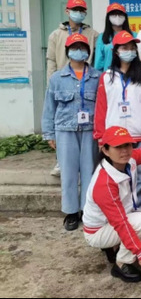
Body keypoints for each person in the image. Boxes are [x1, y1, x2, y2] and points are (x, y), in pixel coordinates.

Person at [83, 125, 141, 283]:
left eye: (127, 145)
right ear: (105, 150)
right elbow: (120, 222)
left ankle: (116, 246)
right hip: (98, 230)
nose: (124, 151)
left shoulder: (129, 160)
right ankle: (122, 262)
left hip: (123, 216)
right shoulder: (104, 183)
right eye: (118, 147)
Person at [42, 34, 101, 231]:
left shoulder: (97, 77)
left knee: (89, 172)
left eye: (82, 47)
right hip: (65, 130)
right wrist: (49, 133)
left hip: (90, 131)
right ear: (68, 52)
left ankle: (87, 209)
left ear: (88, 51)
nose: (79, 51)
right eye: (75, 48)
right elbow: (49, 107)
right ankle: (71, 212)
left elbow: (102, 106)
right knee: (68, 173)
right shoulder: (57, 78)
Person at [94, 31, 141, 209]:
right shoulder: (106, 77)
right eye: (125, 48)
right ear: (116, 51)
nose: (129, 51)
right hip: (115, 137)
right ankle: (121, 212)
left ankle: (139, 210)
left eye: (132, 47)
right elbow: (101, 108)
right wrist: (100, 136)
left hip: (140, 133)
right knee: (116, 176)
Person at [46, 0, 99, 177]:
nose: (78, 13)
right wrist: (51, 81)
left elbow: (97, 58)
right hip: (63, 82)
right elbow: (51, 60)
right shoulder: (56, 35)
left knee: (88, 165)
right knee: (63, 125)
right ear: (67, 11)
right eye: (75, 9)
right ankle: (60, 160)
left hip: (86, 82)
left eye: (82, 10)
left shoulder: (93, 34)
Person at [94, 3, 134, 72]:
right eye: (113, 14)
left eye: (120, 14)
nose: (117, 17)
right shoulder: (102, 37)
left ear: (125, 17)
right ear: (108, 17)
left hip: (131, 74)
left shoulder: (134, 36)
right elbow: (98, 63)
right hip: (108, 75)